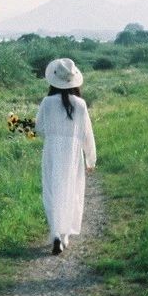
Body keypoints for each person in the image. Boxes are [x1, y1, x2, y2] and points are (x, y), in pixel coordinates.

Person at [35, 58, 96, 256]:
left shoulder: (47, 102)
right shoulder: (81, 104)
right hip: (73, 153)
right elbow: (87, 134)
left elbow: (39, 128)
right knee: (72, 190)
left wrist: (54, 133)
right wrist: (90, 159)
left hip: (52, 151)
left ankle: (55, 234)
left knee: (52, 190)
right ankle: (65, 234)